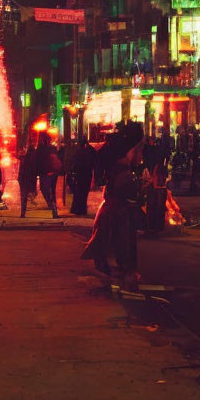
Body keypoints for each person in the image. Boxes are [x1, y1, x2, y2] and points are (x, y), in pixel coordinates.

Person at [81, 122, 145, 288]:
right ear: (130, 151)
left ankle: (116, 268)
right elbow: (129, 196)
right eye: (139, 151)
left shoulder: (119, 171)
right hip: (119, 213)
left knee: (112, 240)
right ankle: (122, 272)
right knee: (119, 242)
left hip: (116, 211)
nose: (141, 156)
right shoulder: (124, 175)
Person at [33, 131, 61, 218]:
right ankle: (54, 207)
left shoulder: (40, 149)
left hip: (44, 172)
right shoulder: (52, 148)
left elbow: (37, 161)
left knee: (44, 189)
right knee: (52, 190)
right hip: (53, 172)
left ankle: (52, 206)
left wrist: (36, 171)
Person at [70, 139, 96, 215]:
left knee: (78, 191)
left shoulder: (78, 152)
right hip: (87, 173)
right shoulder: (89, 151)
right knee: (84, 192)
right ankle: (82, 209)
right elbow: (94, 161)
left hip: (80, 174)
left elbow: (74, 163)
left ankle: (77, 209)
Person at [18, 133, 38, 217]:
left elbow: (21, 170)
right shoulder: (33, 160)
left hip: (24, 179)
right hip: (29, 178)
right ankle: (23, 211)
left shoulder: (24, 159)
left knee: (23, 196)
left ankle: (23, 212)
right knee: (26, 194)